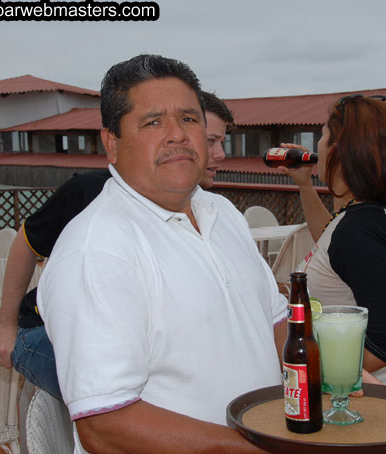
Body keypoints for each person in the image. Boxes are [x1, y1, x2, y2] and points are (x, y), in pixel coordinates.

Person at [37, 54, 286, 453]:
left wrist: (330, 381)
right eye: (153, 122)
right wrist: (251, 448)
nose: (177, 135)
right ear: (112, 144)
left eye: (189, 118)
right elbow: (105, 426)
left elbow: (274, 320)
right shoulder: (97, 250)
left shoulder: (222, 213)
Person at [0, 90, 235, 400]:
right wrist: (5, 326)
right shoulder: (90, 192)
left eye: (219, 141)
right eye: (211, 141)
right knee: (153, 396)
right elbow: (26, 244)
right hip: (42, 331)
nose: (219, 154)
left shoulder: (209, 212)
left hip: (129, 337)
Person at [279, 94, 386, 388]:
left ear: (341, 151)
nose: (318, 145)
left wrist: (309, 360)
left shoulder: (361, 229)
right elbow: (330, 243)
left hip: (358, 396)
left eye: (324, 135)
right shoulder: (358, 216)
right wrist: (305, 183)